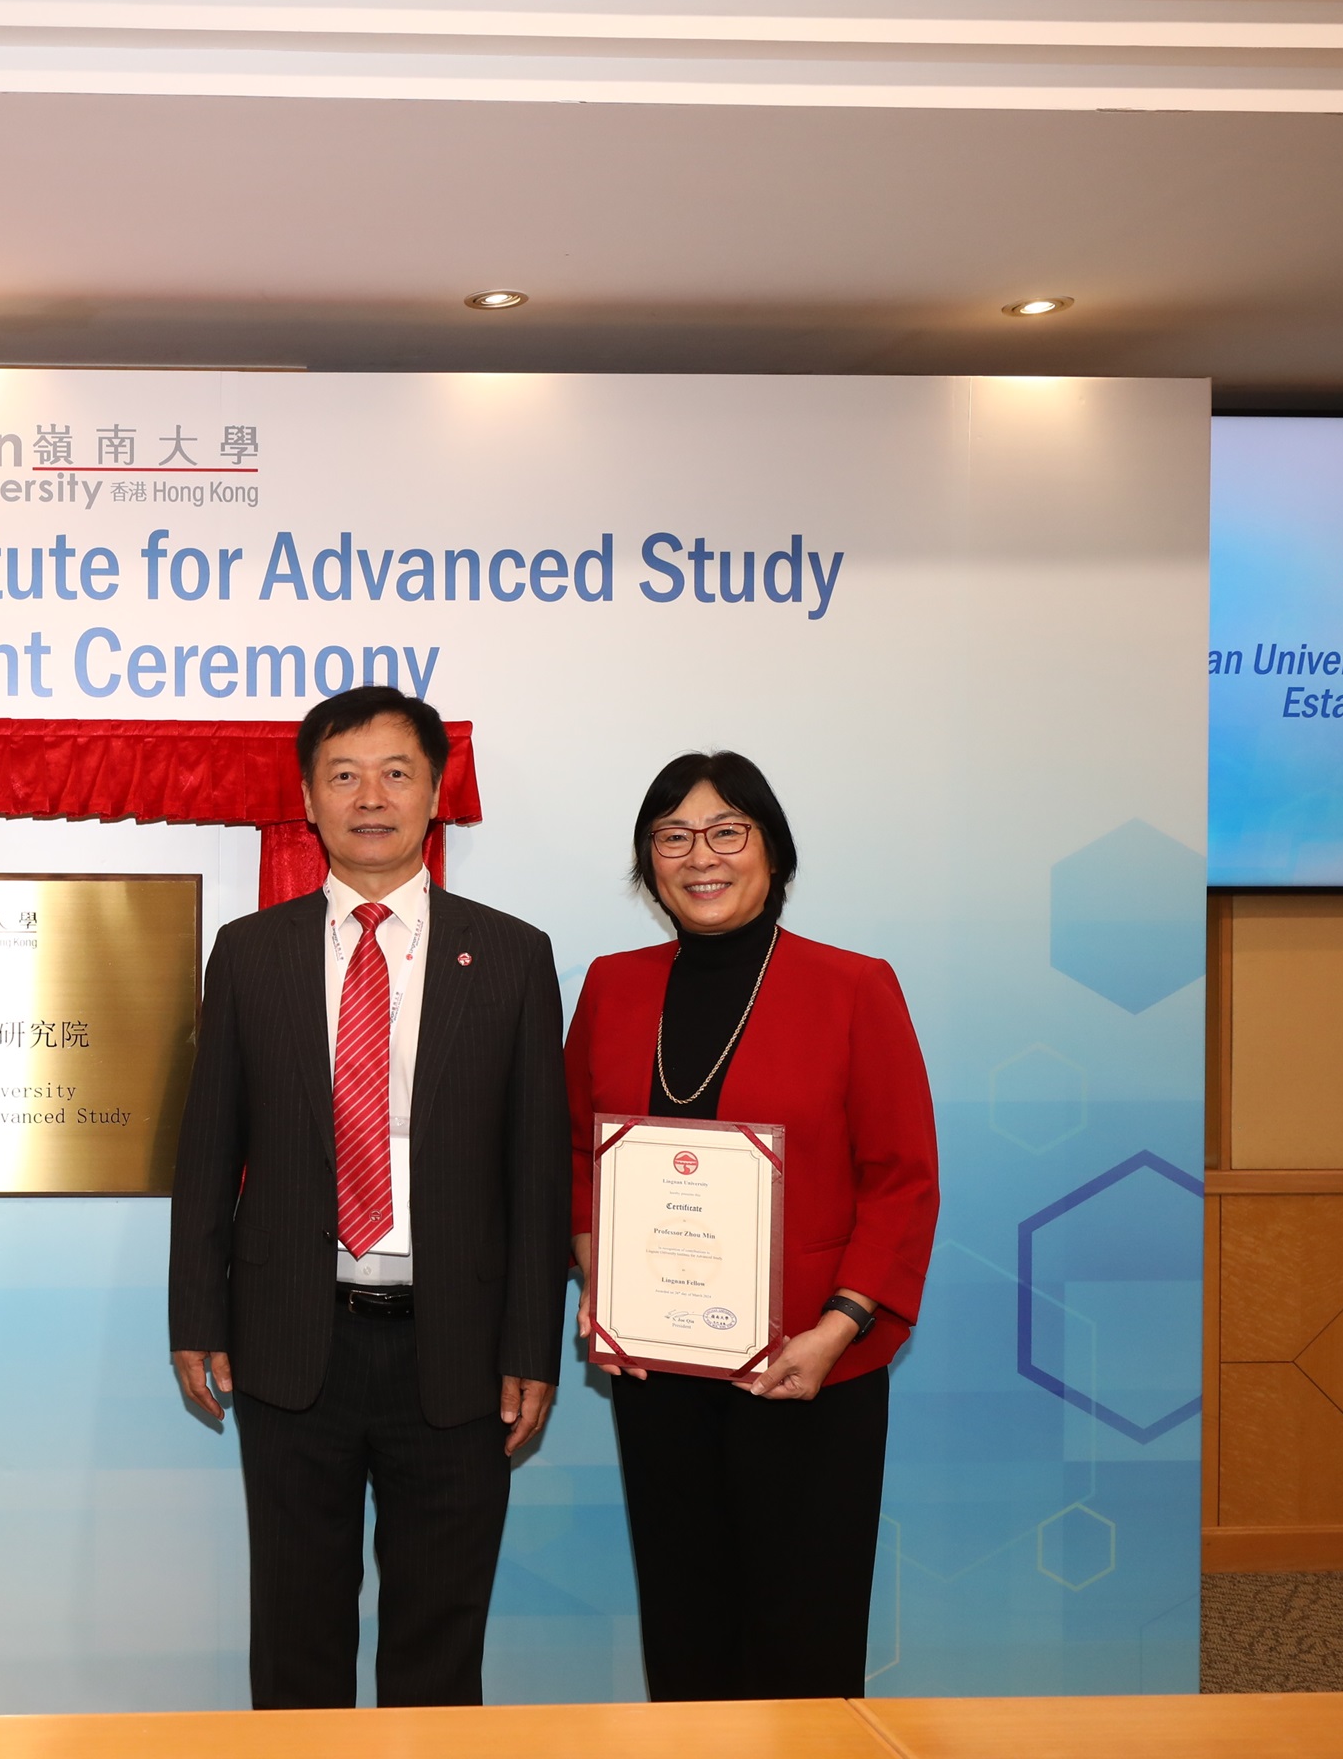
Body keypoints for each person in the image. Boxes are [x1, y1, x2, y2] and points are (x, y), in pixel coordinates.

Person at [168, 684, 571, 1709]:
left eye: (397, 772)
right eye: (344, 775)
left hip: (459, 1350)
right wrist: (196, 1318)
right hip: (295, 1338)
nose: (372, 796)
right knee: (297, 1631)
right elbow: (209, 1154)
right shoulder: (252, 952)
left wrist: (532, 1345)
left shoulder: (513, 956)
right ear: (309, 799)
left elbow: (537, 1167)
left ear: (436, 793)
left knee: (441, 1639)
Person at [566, 750, 938, 1702]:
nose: (702, 857)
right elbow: (573, 1154)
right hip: (658, 1372)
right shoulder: (613, 985)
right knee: (686, 1627)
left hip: (808, 1366)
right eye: (673, 836)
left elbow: (900, 1179)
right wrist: (601, 1287)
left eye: (728, 832)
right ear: (649, 862)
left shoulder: (853, 986)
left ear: (772, 851)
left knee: (801, 1635)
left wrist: (838, 1329)